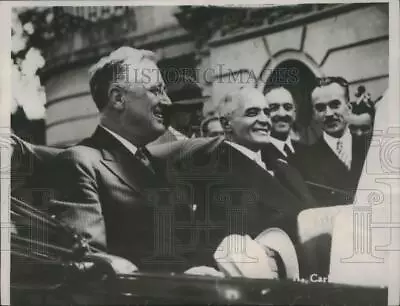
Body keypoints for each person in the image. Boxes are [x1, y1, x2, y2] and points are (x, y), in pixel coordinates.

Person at [150, 87, 316, 275]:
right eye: (252, 113)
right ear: (226, 124)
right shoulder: (211, 173)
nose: (264, 120)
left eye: (266, 112)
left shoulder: (283, 167)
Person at [49, 47, 176, 272]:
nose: (167, 102)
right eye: (156, 91)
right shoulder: (79, 163)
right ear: (118, 98)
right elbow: (90, 265)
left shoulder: (157, 164)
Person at [296, 77, 370, 207]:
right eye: (320, 108)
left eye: (335, 105)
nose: (329, 113)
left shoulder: (371, 146)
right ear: (313, 114)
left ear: (349, 108)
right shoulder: (304, 161)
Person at [150, 76, 204, 144]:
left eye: (200, 107)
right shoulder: (158, 146)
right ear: (172, 110)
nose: (198, 114)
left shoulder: (203, 142)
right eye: (190, 108)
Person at [262, 86, 305, 167]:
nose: (282, 114)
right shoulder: (259, 154)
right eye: (273, 108)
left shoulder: (306, 151)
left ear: (294, 114)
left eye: (287, 107)